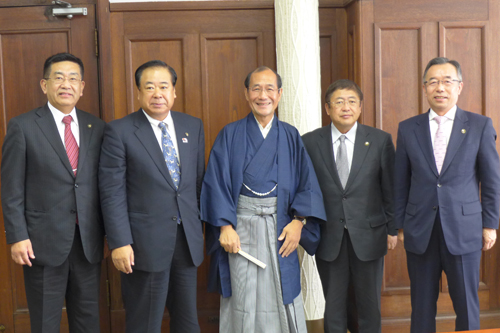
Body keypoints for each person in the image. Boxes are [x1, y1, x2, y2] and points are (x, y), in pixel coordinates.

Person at [200, 66, 326, 333]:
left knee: (281, 289)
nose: (263, 95)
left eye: (270, 88)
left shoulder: (290, 135)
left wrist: (299, 222)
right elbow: (216, 181)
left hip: (281, 226)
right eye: (256, 88)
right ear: (246, 94)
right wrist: (224, 227)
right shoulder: (230, 134)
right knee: (242, 293)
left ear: (279, 94)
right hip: (239, 228)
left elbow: (307, 182)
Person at [394, 57, 500, 332]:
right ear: (424, 88)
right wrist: (399, 224)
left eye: (447, 81)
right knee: (421, 306)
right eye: (433, 82)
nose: (440, 87)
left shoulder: (479, 125)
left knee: (466, 303)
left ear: (459, 86)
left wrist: (490, 224)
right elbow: (400, 181)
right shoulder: (408, 128)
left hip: (465, 229)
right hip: (420, 230)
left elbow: (491, 180)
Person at [1, 53, 105, 333]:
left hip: (87, 242)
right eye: (58, 77)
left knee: (88, 322)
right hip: (41, 242)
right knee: (45, 322)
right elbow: (11, 188)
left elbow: (104, 186)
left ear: (82, 87)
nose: (66, 84)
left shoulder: (97, 127)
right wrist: (18, 235)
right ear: (44, 84)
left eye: (73, 78)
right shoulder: (23, 126)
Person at [99, 60, 204, 333]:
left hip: (186, 241)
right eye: (149, 87)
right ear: (138, 92)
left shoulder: (192, 126)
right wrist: (120, 242)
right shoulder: (119, 131)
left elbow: (197, 183)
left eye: (163, 86)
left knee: (188, 322)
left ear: (174, 91)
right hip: (142, 246)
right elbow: (112, 192)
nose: (157, 93)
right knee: (144, 323)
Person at [302, 79, 396, 333]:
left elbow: (390, 188)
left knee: (368, 304)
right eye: (339, 102)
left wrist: (392, 229)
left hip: (370, 233)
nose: (346, 107)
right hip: (329, 235)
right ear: (328, 108)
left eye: (352, 101)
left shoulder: (379, 140)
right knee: (333, 305)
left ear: (360, 107)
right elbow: (305, 188)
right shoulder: (309, 142)